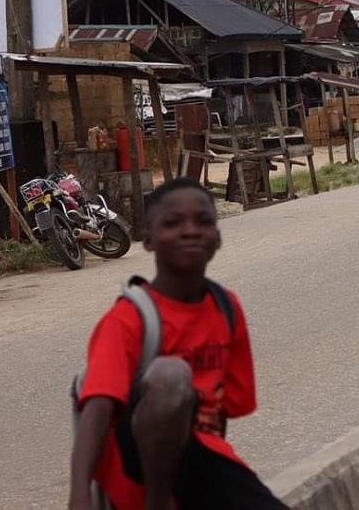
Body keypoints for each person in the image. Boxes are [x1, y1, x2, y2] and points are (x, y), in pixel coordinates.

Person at [69, 177, 288, 510]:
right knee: (170, 378)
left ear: (217, 237)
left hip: (200, 464)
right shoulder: (128, 319)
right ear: (149, 240)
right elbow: (96, 411)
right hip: (137, 470)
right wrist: (79, 493)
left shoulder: (226, 307)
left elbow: (223, 411)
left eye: (203, 221)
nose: (190, 230)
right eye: (172, 223)